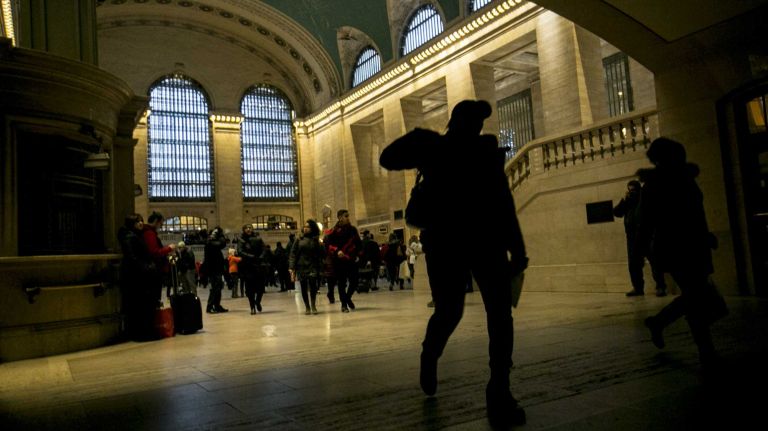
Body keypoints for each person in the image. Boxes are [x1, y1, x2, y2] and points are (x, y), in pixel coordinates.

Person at [380, 99, 528, 426]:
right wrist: (422, 140)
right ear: (458, 122)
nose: (474, 126)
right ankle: (430, 354)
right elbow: (387, 159)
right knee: (451, 311)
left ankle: (499, 389)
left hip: (483, 242)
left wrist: (518, 249)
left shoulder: (486, 154)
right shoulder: (436, 148)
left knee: (500, 315)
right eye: (470, 120)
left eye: (477, 122)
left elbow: (504, 202)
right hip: (449, 244)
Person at [638, 137, 726, 367]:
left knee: (696, 296)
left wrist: (705, 235)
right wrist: (642, 251)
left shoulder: (684, 180)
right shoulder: (657, 185)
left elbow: (696, 213)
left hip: (693, 245)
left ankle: (658, 322)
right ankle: (706, 350)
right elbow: (647, 222)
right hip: (676, 248)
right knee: (696, 298)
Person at [613, 180, 668, 297]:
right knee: (633, 264)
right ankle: (638, 288)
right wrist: (624, 200)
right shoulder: (628, 201)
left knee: (654, 262)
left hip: (645, 235)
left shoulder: (644, 199)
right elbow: (616, 212)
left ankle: (661, 286)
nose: (632, 192)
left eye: (633, 190)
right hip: (632, 238)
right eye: (630, 190)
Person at [117, 214, 156, 341]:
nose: (140, 223)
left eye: (141, 220)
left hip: (138, 275)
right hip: (137, 277)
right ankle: (142, 333)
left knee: (140, 305)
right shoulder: (129, 237)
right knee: (140, 306)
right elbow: (132, 257)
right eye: (137, 221)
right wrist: (146, 267)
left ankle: (143, 332)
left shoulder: (135, 235)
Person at [324, 209, 362, 312]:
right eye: (346, 216)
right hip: (339, 261)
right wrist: (337, 251)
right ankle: (344, 305)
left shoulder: (353, 229)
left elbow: (358, 243)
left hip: (351, 260)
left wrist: (359, 254)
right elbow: (328, 245)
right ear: (340, 217)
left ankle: (347, 297)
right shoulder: (333, 231)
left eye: (348, 216)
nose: (348, 218)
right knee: (342, 283)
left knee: (354, 281)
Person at [289, 219, 325, 315]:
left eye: (308, 227)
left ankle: (313, 305)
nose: (305, 228)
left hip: (313, 265)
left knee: (313, 286)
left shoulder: (316, 240)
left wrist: (321, 245)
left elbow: (322, 254)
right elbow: (293, 253)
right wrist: (291, 267)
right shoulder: (299, 239)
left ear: (312, 228)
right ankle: (307, 307)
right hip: (301, 266)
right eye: (304, 227)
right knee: (303, 287)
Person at [142, 211, 175, 305]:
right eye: (161, 223)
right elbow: (154, 252)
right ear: (156, 221)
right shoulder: (149, 233)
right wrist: (169, 248)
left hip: (152, 270)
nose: (161, 226)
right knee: (154, 299)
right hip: (153, 271)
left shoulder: (148, 232)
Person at [237, 224, 266, 314]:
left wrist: (261, 257)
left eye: (250, 228)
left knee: (260, 287)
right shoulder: (241, 240)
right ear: (244, 230)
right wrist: (251, 256)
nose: (249, 229)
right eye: (246, 228)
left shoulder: (258, 238)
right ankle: (252, 306)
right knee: (250, 289)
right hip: (248, 266)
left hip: (258, 265)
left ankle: (257, 302)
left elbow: (264, 248)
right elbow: (240, 251)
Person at [204, 227, 228, 313]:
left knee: (218, 287)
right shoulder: (210, 242)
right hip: (213, 269)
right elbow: (222, 244)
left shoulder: (211, 242)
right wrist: (220, 234)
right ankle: (209, 306)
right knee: (215, 288)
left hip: (216, 268)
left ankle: (217, 306)